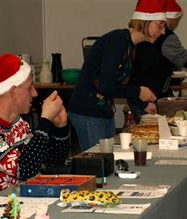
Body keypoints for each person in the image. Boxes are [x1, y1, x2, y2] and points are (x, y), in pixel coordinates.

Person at [0, 54, 70, 204]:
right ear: (13, 92)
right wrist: (45, 120)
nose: (35, 93)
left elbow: (52, 165)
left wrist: (60, 128)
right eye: (29, 87)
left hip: (14, 206)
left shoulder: (18, 124)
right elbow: (24, 169)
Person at [69, 0, 164, 151]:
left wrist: (143, 105)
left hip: (103, 112)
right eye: (160, 24)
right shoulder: (117, 41)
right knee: (98, 163)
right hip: (88, 112)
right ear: (145, 22)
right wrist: (139, 91)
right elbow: (105, 86)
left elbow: (118, 86)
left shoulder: (130, 46)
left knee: (108, 161)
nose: (163, 31)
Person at [128, 0, 187, 122]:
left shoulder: (137, 35)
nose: (163, 31)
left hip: (135, 92)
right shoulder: (167, 38)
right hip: (150, 95)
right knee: (153, 131)